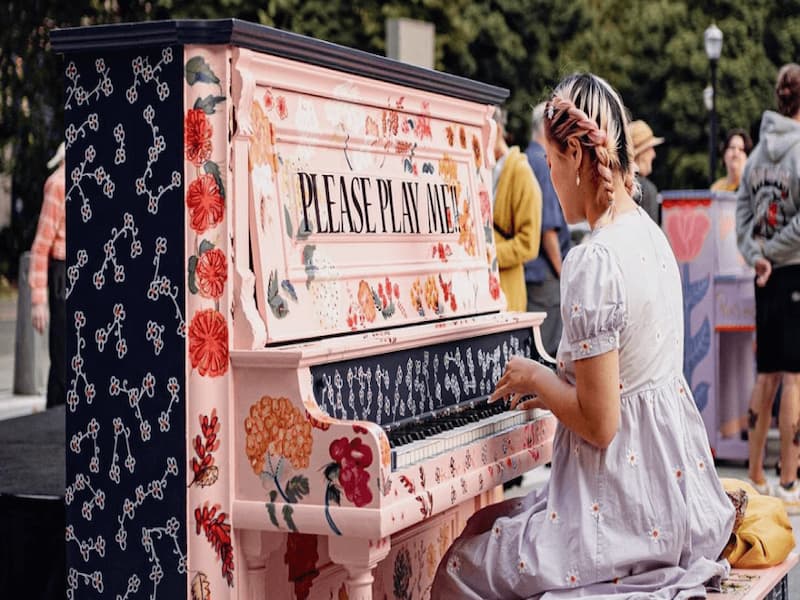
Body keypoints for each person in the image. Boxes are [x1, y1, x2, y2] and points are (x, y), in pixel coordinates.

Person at [432, 73, 735, 599]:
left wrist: (536, 377)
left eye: (549, 162)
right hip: (676, 494)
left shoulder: (593, 261)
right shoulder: (648, 232)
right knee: (494, 522)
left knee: (459, 563)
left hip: (624, 517)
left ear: (575, 153)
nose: (549, 177)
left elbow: (598, 424)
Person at [736, 63, 800, 513]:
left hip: (764, 274)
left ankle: (756, 473)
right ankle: (791, 480)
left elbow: (740, 212)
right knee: (794, 375)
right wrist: (776, 251)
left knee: (766, 373)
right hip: (793, 269)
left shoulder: (756, 156)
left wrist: (755, 253)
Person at [524, 102, 571, 357]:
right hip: (546, 278)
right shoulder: (543, 164)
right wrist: (566, 276)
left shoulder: (525, 159)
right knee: (549, 354)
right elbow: (548, 230)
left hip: (530, 276)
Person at [491, 106, 542, 312]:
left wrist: (489, 256)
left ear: (494, 129)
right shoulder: (481, 169)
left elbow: (528, 244)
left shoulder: (520, 171)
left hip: (508, 290)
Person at [30, 142, 66, 408]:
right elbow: (41, 246)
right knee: (62, 356)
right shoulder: (58, 185)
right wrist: (38, 300)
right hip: (61, 274)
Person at [630, 119, 664, 224]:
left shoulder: (616, 186)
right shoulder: (646, 189)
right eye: (650, 148)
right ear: (641, 153)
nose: (654, 154)